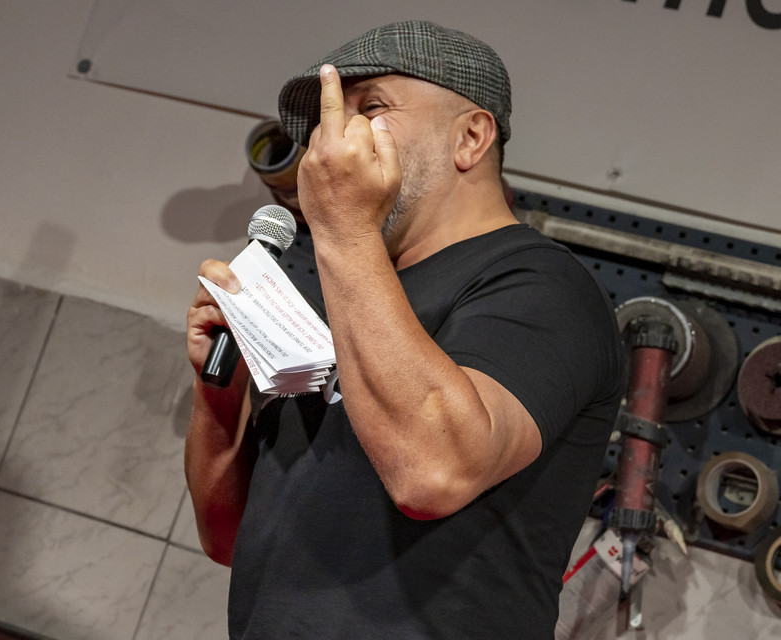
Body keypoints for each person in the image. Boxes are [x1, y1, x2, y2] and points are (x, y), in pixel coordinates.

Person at [184, 20, 624, 639]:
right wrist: (218, 390)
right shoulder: (340, 286)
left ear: (470, 137)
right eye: (332, 121)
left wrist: (344, 229)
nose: (337, 139)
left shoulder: (543, 287)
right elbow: (226, 537)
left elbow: (432, 474)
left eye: (372, 108)